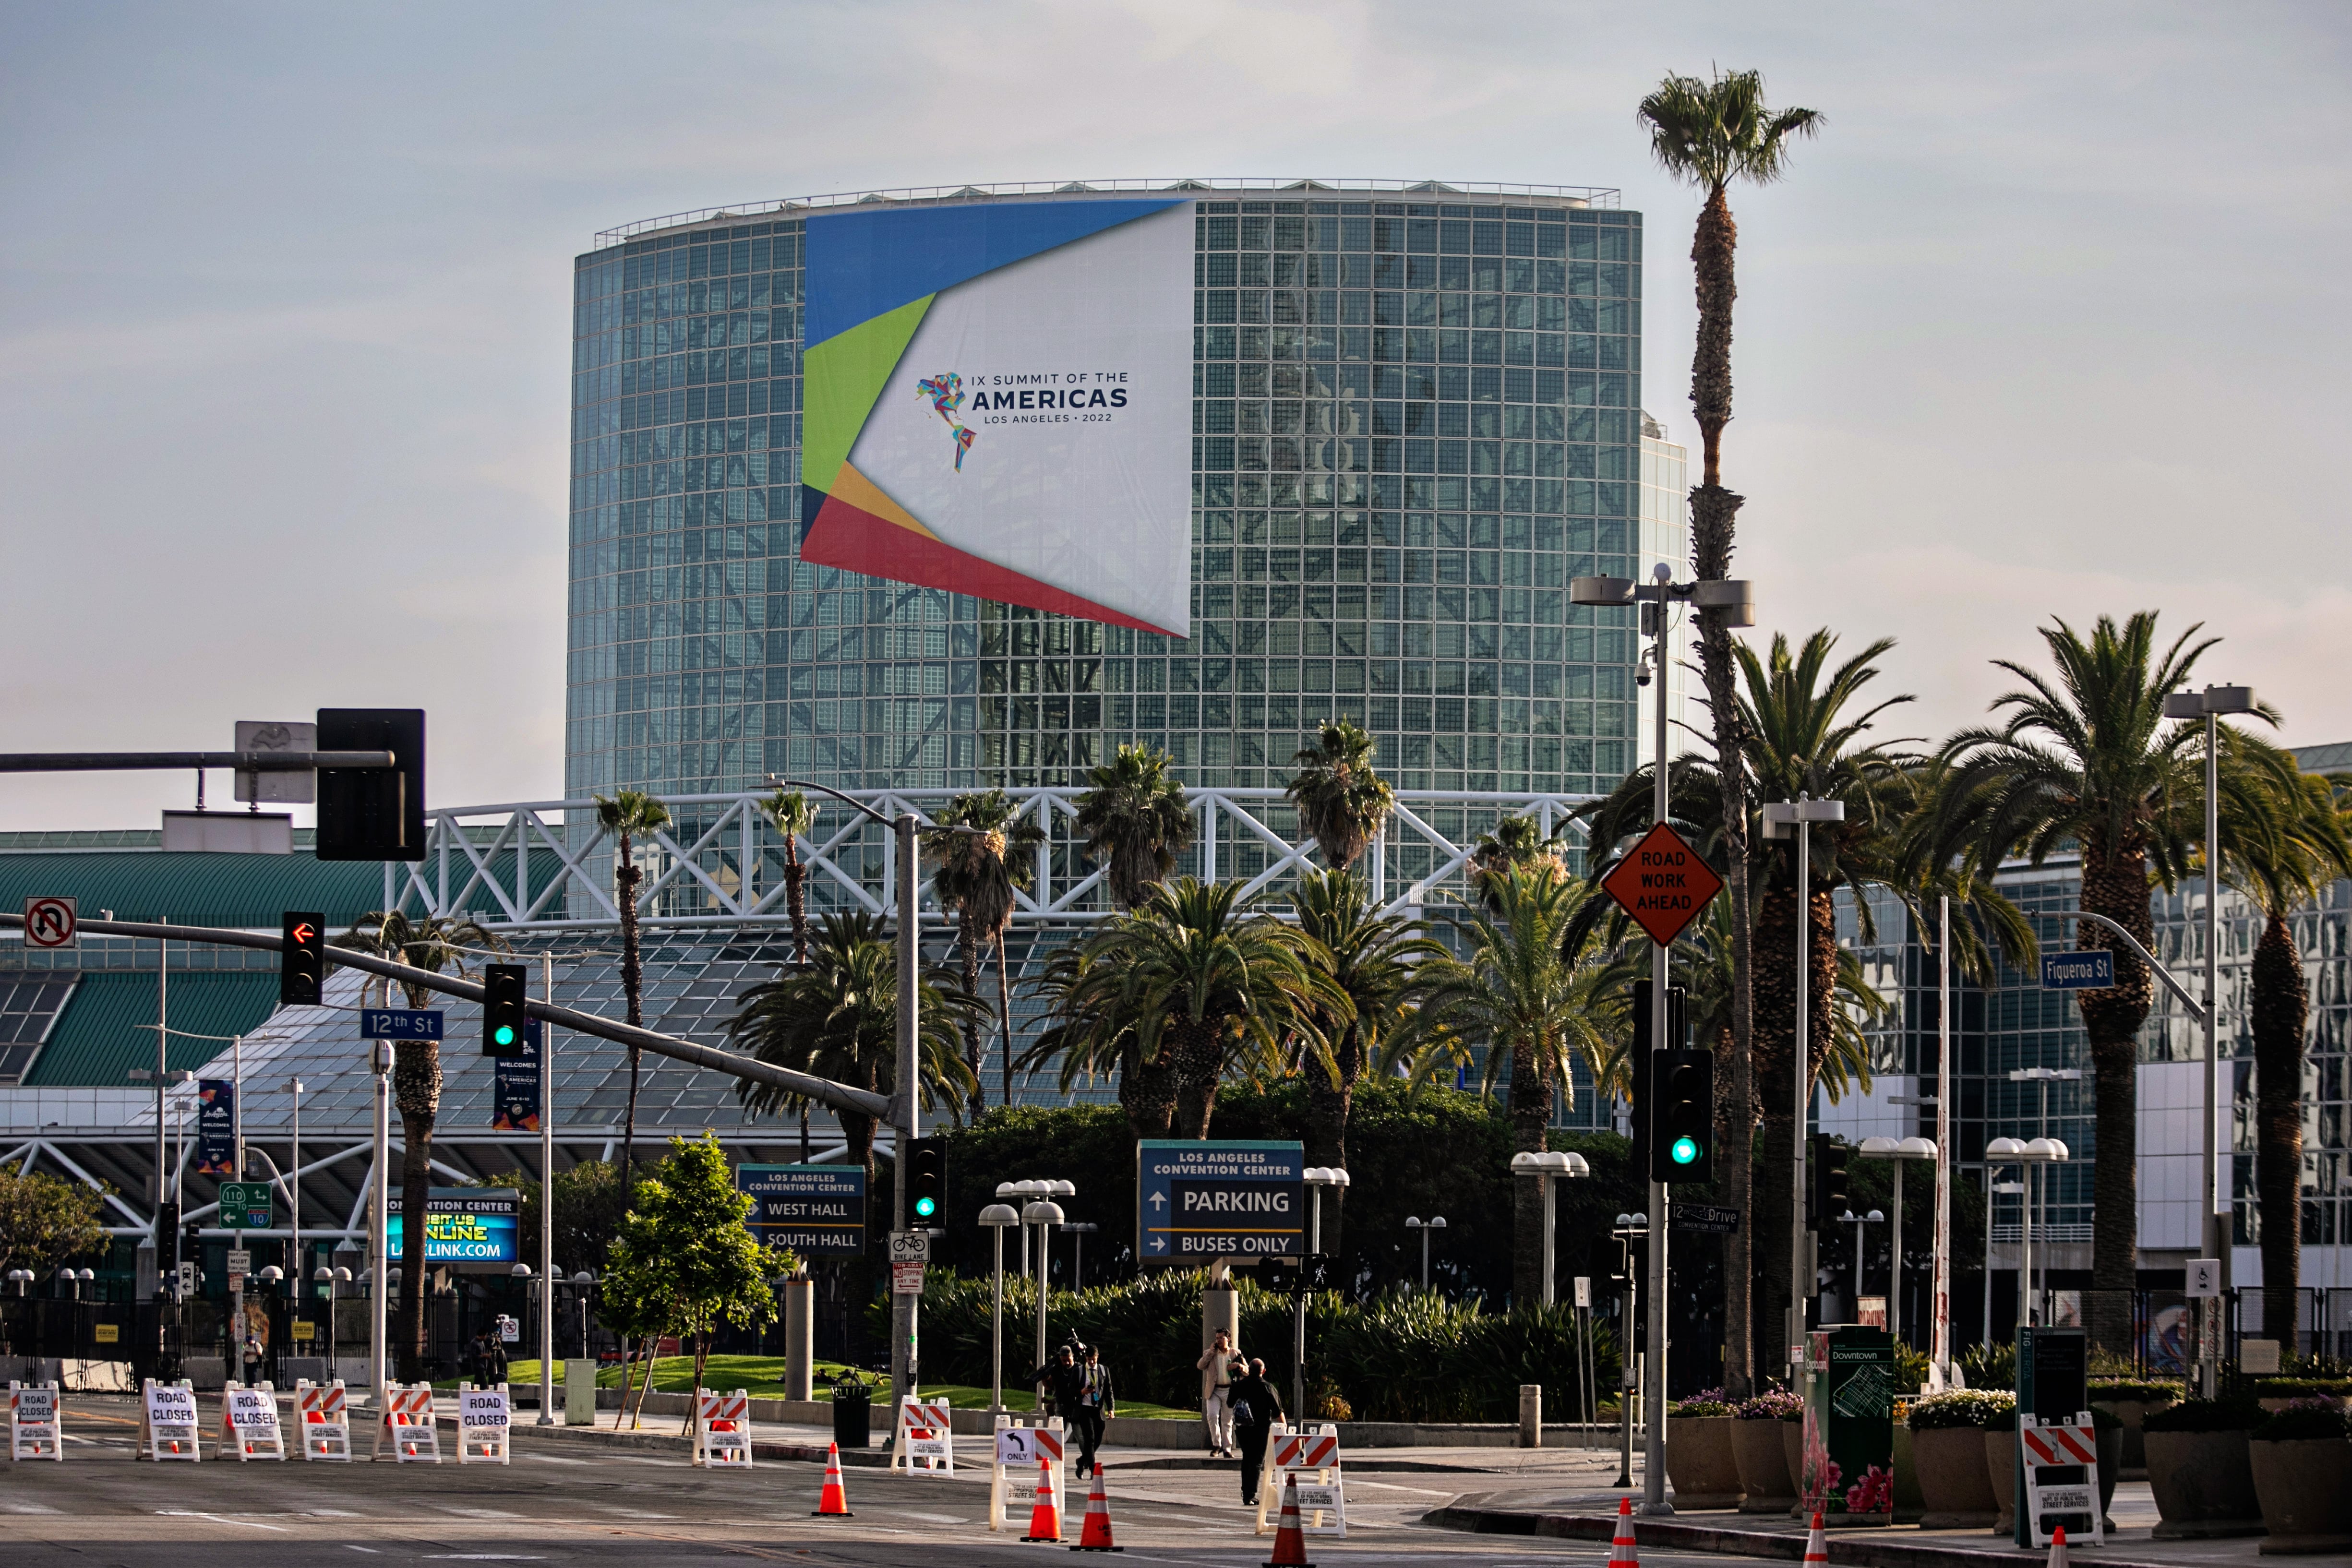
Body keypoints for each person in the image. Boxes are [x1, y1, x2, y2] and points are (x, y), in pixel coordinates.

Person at [1229, 1356, 1284, 1507]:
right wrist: (1285, 1427)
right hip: (1261, 1429)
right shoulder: (1267, 1387)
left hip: (1243, 1427)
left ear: (1250, 1370)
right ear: (1263, 1371)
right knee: (1257, 1461)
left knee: (1247, 1458)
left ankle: (1246, 1492)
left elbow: (1229, 1403)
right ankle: (1250, 1494)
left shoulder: (1240, 1386)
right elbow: (1278, 1410)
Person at [1072, 1344, 1115, 1479]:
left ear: (1097, 1357)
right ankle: (1092, 1469)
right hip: (1084, 1409)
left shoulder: (1103, 1370)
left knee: (1098, 1438)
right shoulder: (1079, 1371)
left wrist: (1111, 1409)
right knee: (1089, 1439)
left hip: (1098, 1409)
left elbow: (1108, 1391)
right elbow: (1071, 1390)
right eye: (1089, 1360)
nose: (1091, 1362)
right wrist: (1082, 1392)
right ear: (1086, 1358)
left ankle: (1081, 1461)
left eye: (1093, 1360)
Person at [1197, 1329, 1237, 1457]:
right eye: (1217, 1338)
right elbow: (1200, 1366)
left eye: (1221, 1338)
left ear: (1228, 1339)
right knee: (1212, 1416)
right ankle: (1217, 1445)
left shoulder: (1235, 1353)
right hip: (1214, 1391)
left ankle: (1227, 1448)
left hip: (1229, 1391)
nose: (1219, 1340)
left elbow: (1246, 1371)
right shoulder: (1210, 1353)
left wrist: (1239, 1366)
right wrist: (1210, 1353)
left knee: (1227, 1420)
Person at [1031, 1344, 1083, 1422]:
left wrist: (1097, 1400)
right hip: (1062, 1405)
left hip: (1077, 1406)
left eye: (1069, 1360)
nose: (1067, 1363)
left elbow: (1093, 1390)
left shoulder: (1080, 1369)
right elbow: (1049, 1387)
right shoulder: (1058, 1369)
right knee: (1059, 1425)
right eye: (1064, 1361)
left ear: (1073, 1356)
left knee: (1078, 1429)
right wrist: (1043, 1377)